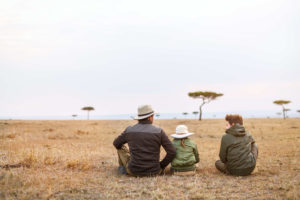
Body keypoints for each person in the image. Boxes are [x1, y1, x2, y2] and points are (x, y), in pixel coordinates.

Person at [113, 104, 176, 176]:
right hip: (155, 171)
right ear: (149, 117)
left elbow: (116, 143)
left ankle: (122, 168)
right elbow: (172, 152)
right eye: (153, 116)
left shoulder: (129, 130)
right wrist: (161, 165)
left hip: (133, 171)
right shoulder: (159, 131)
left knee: (121, 147)